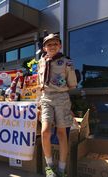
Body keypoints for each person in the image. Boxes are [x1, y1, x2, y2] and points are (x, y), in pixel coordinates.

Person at [37, 34, 77, 177]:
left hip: (61, 98)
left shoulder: (66, 62)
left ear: (60, 46)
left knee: (61, 133)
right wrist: (39, 102)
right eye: (49, 44)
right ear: (44, 47)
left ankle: (61, 168)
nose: (52, 46)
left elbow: (72, 83)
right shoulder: (41, 62)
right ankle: (49, 166)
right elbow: (39, 83)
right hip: (46, 98)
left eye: (55, 43)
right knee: (45, 131)